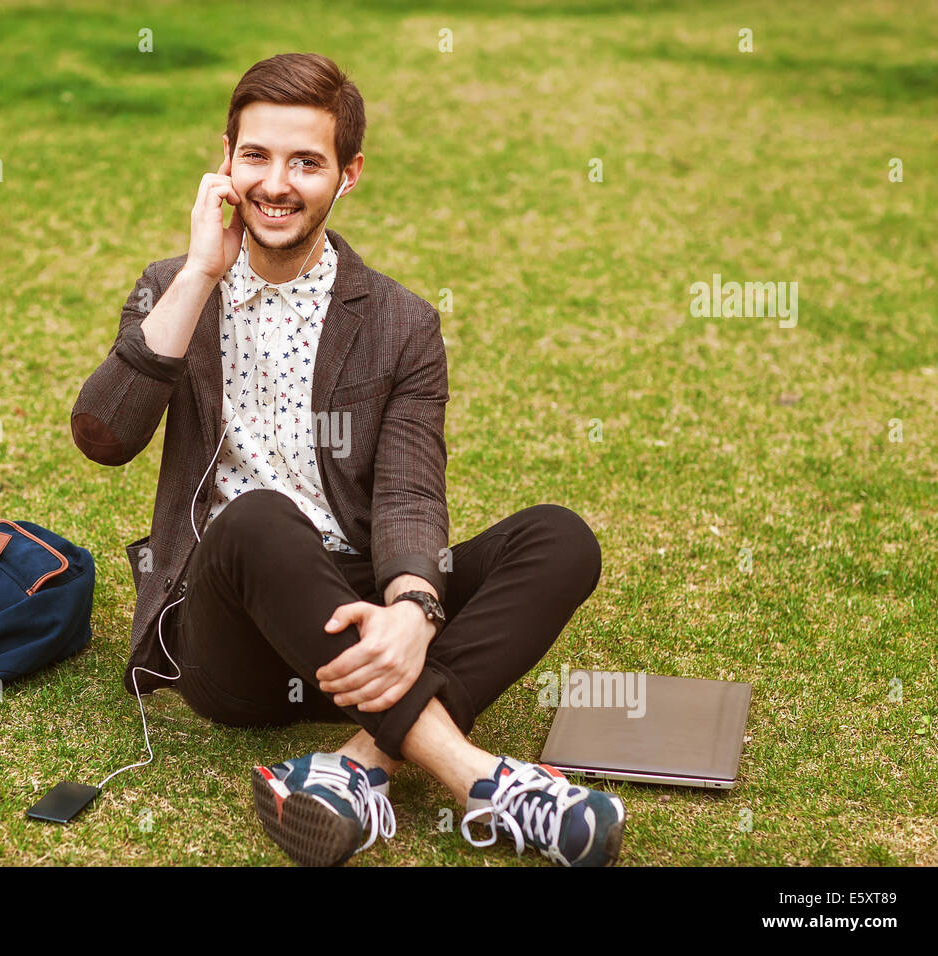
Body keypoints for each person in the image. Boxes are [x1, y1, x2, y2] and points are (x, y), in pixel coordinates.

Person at [71, 52, 623, 867]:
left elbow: (408, 488)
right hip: (233, 630)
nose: (275, 183)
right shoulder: (171, 287)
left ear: (349, 174)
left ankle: (359, 767)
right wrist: (198, 273)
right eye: (255, 156)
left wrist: (410, 607)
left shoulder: (400, 322)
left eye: (306, 162)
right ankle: (478, 780)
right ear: (225, 162)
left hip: (353, 608)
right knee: (259, 516)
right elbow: (103, 437)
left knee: (559, 537)